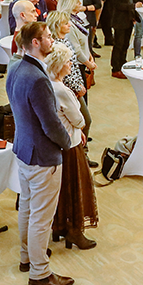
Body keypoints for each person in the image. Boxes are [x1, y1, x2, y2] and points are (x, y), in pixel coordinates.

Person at [6, 22, 74, 285]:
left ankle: (27, 257)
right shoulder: (38, 79)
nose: (51, 40)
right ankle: (39, 272)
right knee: (41, 218)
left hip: (22, 149)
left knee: (27, 207)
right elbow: (51, 124)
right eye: (47, 37)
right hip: (42, 156)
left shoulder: (15, 67)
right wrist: (67, 143)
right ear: (35, 42)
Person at [44, 45, 98, 250]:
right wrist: (80, 127)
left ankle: (59, 227)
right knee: (76, 188)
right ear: (59, 65)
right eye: (67, 62)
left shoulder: (49, 84)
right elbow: (79, 120)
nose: (70, 65)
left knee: (62, 189)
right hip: (71, 145)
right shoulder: (62, 90)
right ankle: (74, 230)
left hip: (60, 143)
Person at [108, 0, 136, 79]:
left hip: (128, 19)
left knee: (125, 44)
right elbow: (117, 5)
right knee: (118, 44)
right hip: (119, 20)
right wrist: (133, 6)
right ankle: (115, 68)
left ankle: (122, 64)